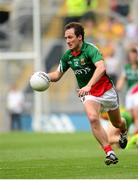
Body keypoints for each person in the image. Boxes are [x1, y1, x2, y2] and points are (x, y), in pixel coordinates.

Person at [44, 22, 128, 165]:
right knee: (93, 118)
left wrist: (89, 85)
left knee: (117, 122)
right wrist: (43, 76)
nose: (68, 41)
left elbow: (101, 68)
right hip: (88, 93)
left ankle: (124, 132)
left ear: (80, 37)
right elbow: (57, 75)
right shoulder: (67, 56)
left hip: (106, 90)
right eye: (66, 38)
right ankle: (109, 152)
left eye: (70, 37)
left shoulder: (90, 49)